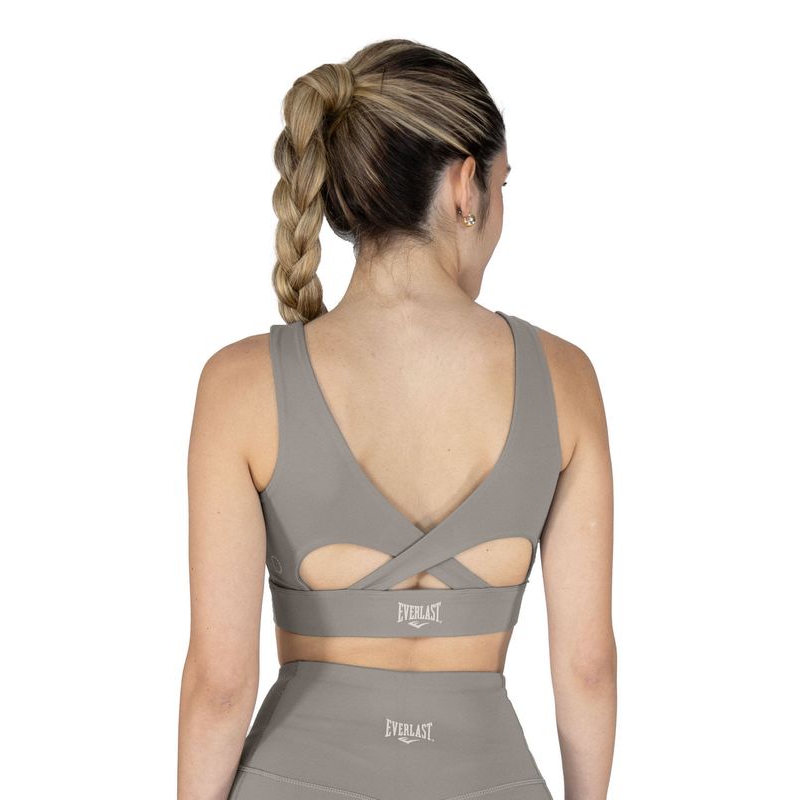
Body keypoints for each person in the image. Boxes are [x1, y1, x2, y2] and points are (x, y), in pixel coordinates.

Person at [177, 38, 616, 800]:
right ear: (466, 185)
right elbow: (587, 668)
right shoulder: (565, 380)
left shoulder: (239, 385)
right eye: (503, 184)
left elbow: (219, 685)